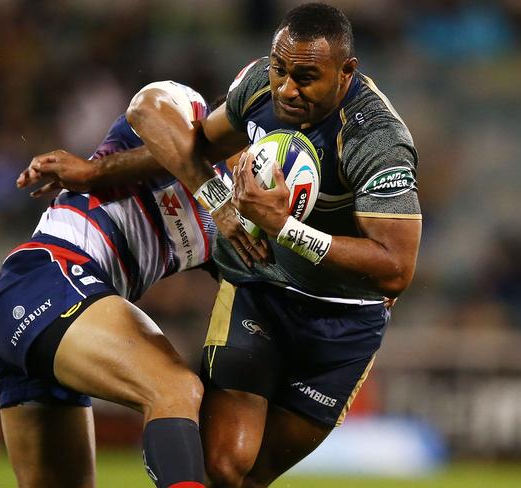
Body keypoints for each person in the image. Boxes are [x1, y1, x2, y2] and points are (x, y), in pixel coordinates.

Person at [26, 4, 422, 486]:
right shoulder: (260, 86)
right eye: (280, 70)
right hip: (258, 290)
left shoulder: (377, 141)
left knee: (254, 474)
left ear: (346, 73)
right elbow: (196, 148)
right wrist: (96, 171)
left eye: (305, 77)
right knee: (222, 466)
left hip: (342, 321)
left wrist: (285, 229)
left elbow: (397, 268)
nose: (287, 89)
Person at [0, 80, 233, 488]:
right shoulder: (186, 108)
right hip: (51, 277)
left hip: (63, 320)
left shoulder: (235, 225)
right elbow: (146, 110)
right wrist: (218, 195)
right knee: (173, 386)